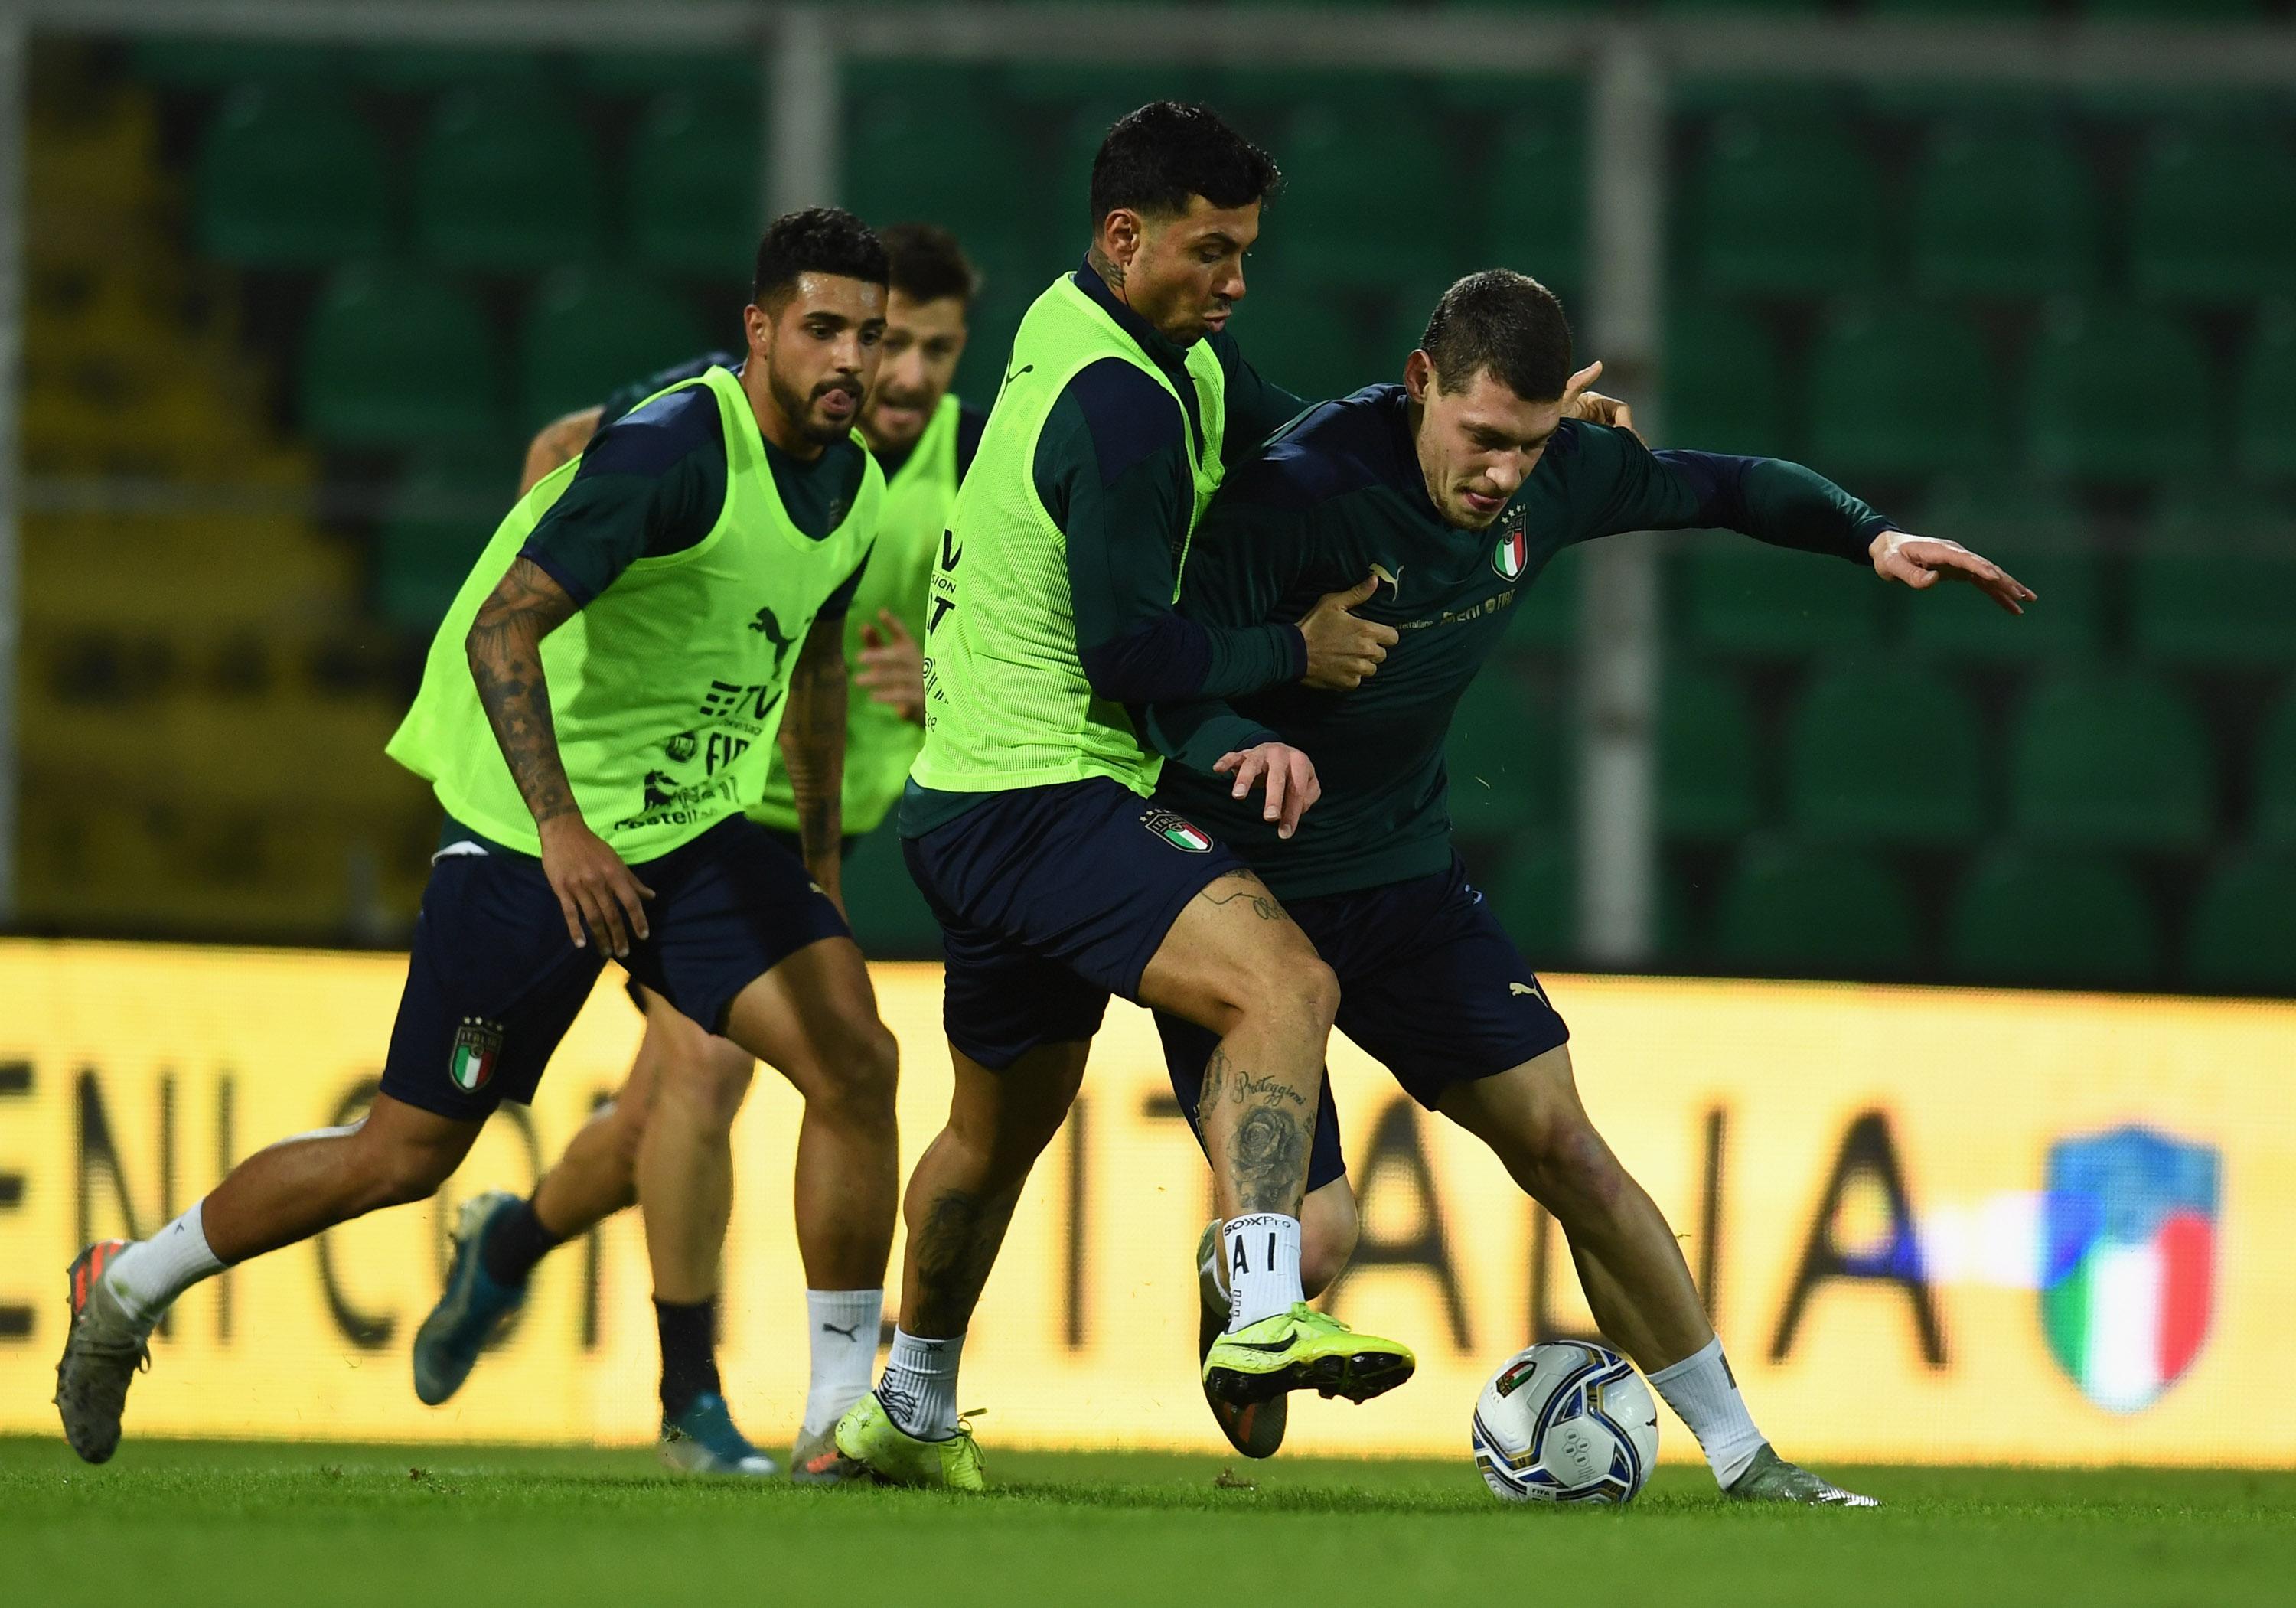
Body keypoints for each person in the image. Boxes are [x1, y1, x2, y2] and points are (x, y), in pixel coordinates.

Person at [1151, 269, 2036, 1503]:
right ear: (1420, 383)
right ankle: (1241, 1279)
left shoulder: (1559, 474)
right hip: (1240, 894)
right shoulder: (1300, 492)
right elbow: (1157, 668)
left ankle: (1747, 1457)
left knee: (1569, 1146)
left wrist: (1870, 534)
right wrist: (1253, 716)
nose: (1503, 473)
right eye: (1481, 437)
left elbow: (1729, 485)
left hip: (1401, 880)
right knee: (1324, 1241)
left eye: (1527, 443)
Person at [52, 209, 902, 1471]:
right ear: (761, 330)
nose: (850, 360)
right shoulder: (674, 449)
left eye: (869, 337)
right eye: (823, 329)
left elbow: (818, 668)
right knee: (403, 1153)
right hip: (529, 842)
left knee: (856, 1061)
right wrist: (560, 830)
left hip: (690, 834)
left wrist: (817, 865)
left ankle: (838, 1419)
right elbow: (500, 629)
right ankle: (127, 1282)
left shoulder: (854, 483)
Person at [827, 102, 1414, 1492]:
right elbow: (1129, 655)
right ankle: (1261, 1308)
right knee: (1287, 983)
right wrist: (1297, 651)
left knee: (995, 1131)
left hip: (968, 798)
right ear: (1125, 235)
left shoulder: (1110, 330)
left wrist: (1456, 430)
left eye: (1247, 250)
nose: (1237, 279)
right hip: (1045, 791)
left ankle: (906, 1406)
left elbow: (1306, 438)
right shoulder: (1126, 406)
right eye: (1213, 251)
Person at [406, 225, 989, 1482]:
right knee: (705, 1082)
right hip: (678, 803)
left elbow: (999, 641)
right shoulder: (725, 413)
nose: (903, 374)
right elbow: (559, 457)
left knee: (648, 1124)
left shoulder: (968, 463)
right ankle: (695, 1398)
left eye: (933, 350)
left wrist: (938, 687)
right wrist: (577, 625)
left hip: (803, 816)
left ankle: (511, 1243)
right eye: (887, 341)